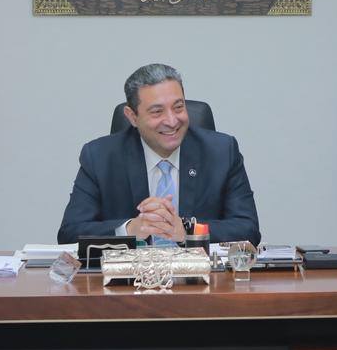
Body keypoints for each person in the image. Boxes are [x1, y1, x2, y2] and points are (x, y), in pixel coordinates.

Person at [57, 63, 261, 245]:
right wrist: (129, 229)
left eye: (178, 107)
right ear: (132, 117)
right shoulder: (99, 157)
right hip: (129, 275)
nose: (172, 121)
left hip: (201, 274)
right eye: (157, 112)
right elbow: (70, 232)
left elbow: (248, 229)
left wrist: (188, 230)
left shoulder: (222, 152)